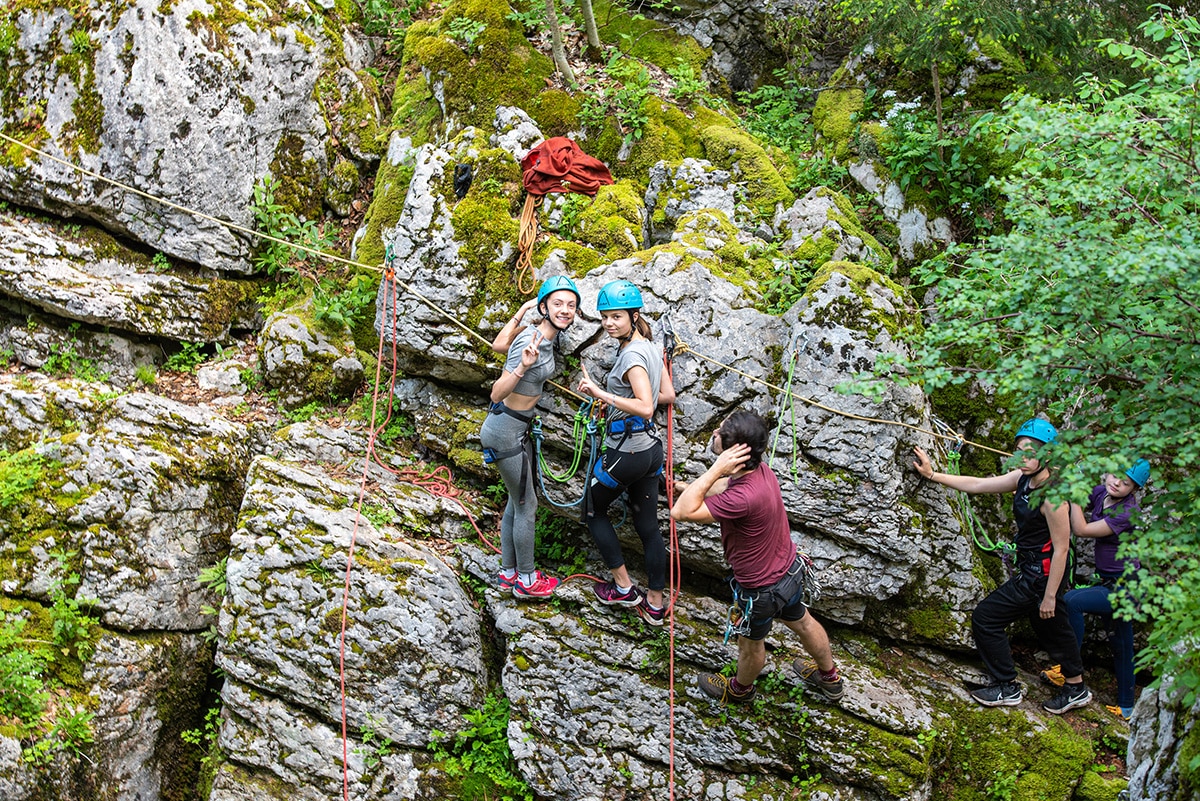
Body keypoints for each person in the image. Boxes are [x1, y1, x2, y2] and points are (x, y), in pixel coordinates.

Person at [912, 418, 1092, 714]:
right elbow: (979, 485)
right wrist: (933, 475)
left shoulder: (1052, 497)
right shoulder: (1022, 479)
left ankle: (1007, 685)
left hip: (1041, 576)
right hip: (1035, 571)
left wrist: (1048, 595)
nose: (1024, 457)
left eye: (1032, 451)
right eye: (1020, 450)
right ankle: (1076, 687)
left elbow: (1062, 549)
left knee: (986, 617)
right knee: (1053, 628)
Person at [671, 410, 845, 705]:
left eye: (720, 432)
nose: (714, 432)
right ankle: (830, 679)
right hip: (789, 572)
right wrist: (692, 488)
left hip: (761, 591)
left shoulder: (743, 497)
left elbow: (681, 512)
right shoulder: (760, 472)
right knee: (803, 622)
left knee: (750, 645)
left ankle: (740, 691)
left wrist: (714, 469)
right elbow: (727, 488)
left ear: (734, 453)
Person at [576, 279, 676, 626]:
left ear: (634, 315)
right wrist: (630, 400)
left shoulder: (632, 354)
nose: (608, 323)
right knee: (648, 525)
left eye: (616, 316)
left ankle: (623, 588)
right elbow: (668, 395)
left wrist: (600, 394)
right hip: (649, 450)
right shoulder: (649, 345)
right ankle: (655, 604)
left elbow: (647, 406)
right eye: (605, 317)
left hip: (628, 450)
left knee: (592, 509)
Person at [482, 276, 580, 600]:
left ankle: (509, 572)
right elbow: (497, 391)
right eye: (558, 304)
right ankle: (526, 579)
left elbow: (498, 344)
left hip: (512, 428)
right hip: (506, 429)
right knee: (528, 504)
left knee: (516, 500)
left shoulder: (546, 337)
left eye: (570, 305)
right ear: (545, 307)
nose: (565, 310)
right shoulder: (532, 339)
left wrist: (525, 309)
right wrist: (523, 366)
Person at [1041, 459, 1148, 721]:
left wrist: (1076, 494)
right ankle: (1127, 706)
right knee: (1121, 642)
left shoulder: (1126, 512)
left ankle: (1068, 668)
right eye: (1115, 476)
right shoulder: (1102, 494)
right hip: (1111, 581)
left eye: (1125, 483)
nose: (1117, 483)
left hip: (1126, 586)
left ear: (1134, 489)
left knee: (1072, 600)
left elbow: (1082, 529)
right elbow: (1072, 500)